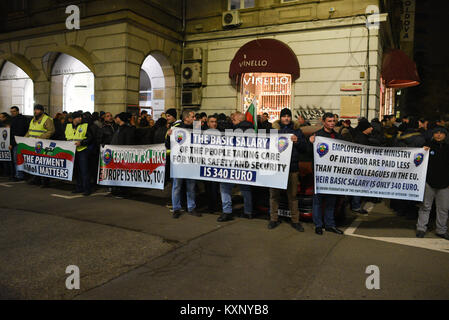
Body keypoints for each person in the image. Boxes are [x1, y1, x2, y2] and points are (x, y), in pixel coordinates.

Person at [268, 108, 307, 232]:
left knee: (293, 196)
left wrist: (297, 141)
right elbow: (267, 146)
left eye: (288, 116)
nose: (286, 118)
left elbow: (304, 148)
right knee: (274, 195)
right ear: (280, 117)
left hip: (292, 168)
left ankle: (295, 221)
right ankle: (273, 219)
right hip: (276, 168)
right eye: (284, 116)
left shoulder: (297, 130)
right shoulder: (274, 130)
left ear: (291, 117)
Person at [309, 113, 344, 235]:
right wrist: (310, 143)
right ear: (324, 122)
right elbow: (310, 154)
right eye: (329, 121)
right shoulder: (317, 136)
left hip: (333, 175)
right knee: (318, 201)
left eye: (333, 121)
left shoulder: (338, 137)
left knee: (331, 201)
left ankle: (330, 224)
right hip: (319, 174)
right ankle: (318, 225)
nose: (332, 123)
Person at [217, 112, 254, 222]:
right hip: (245, 164)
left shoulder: (234, 131)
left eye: (233, 120)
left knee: (224, 187)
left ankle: (227, 212)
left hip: (231, 163)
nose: (231, 122)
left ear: (238, 120)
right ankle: (248, 212)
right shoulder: (253, 130)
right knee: (246, 189)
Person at [416, 126, 449, 240]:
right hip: (428, 182)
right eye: (436, 133)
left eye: (441, 133)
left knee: (443, 209)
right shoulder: (427, 146)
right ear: (433, 134)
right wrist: (421, 151)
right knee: (425, 206)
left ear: (445, 135)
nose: (439, 135)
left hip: (445, 184)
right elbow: (417, 160)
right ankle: (421, 228)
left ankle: (441, 230)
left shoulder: (448, 147)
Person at [166, 109, 199, 218]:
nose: (195, 118)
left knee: (191, 186)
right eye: (192, 116)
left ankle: (191, 208)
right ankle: (176, 208)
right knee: (177, 186)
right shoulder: (176, 129)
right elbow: (168, 145)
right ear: (186, 118)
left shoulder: (196, 128)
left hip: (191, 162)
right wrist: (169, 135)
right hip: (179, 163)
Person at [25, 104, 55, 187]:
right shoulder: (33, 119)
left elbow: (51, 131)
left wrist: (41, 137)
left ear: (42, 111)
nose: (35, 111)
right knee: (35, 162)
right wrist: (24, 139)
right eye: (35, 109)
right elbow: (30, 131)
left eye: (37, 110)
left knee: (43, 163)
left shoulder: (46, 119)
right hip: (33, 144)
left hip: (43, 144)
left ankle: (45, 181)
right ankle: (36, 179)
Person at [65, 112, 93, 196]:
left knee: (84, 171)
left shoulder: (85, 126)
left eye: (80, 117)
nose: (80, 118)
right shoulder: (68, 126)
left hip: (82, 150)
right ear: (73, 119)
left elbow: (90, 138)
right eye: (78, 117)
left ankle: (87, 189)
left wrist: (82, 143)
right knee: (77, 171)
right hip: (72, 151)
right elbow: (65, 137)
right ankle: (79, 187)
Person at [9, 106, 29, 181]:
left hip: (18, 142)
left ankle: (19, 175)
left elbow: (19, 132)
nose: (12, 113)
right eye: (11, 112)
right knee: (16, 160)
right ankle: (17, 174)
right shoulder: (14, 119)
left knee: (17, 159)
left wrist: (12, 143)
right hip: (15, 141)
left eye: (13, 111)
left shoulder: (20, 119)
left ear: (17, 111)